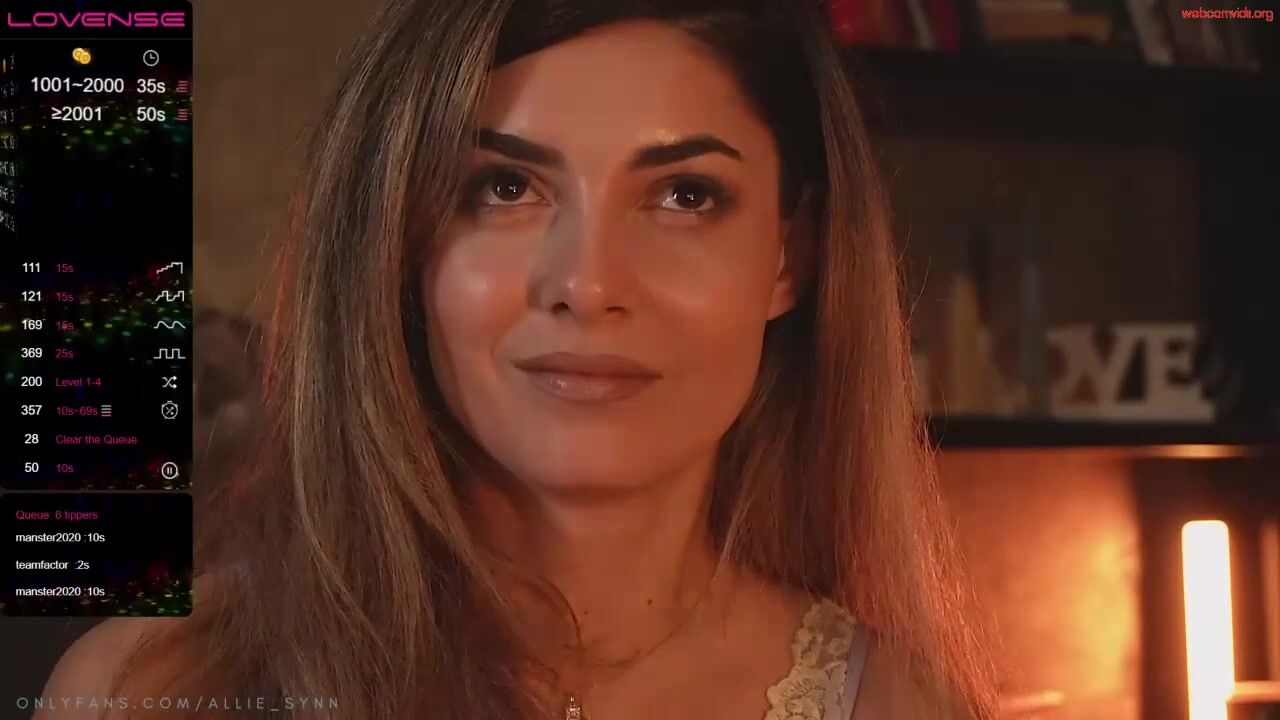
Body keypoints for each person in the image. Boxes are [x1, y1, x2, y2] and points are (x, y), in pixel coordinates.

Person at [40, 1, 999, 718]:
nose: (586, 282)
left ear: (791, 257)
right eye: (504, 186)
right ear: (397, 244)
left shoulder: (894, 707)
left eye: (686, 196)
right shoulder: (149, 686)